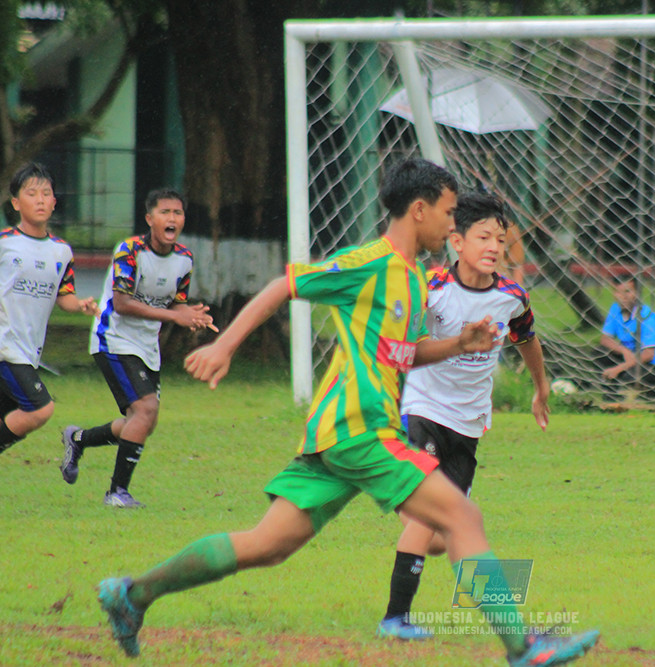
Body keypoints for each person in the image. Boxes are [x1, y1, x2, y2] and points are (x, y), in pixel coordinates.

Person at [95, 158, 599, 666]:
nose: (452, 224)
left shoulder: (415, 280)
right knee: (462, 516)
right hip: (360, 428)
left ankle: (132, 595)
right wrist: (224, 346)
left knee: (268, 544)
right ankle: (523, 647)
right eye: (448, 213)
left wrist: (457, 344)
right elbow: (285, 285)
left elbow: (401, 353)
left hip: (340, 435)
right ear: (418, 210)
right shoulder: (371, 263)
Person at [376, 190, 551, 640]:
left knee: (441, 536)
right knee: (430, 522)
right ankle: (395, 618)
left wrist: (540, 387)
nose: (494, 247)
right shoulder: (431, 288)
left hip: (468, 425)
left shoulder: (511, 297)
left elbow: (527, 339)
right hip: (422, 412)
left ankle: (512, 631)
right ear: (457, 241)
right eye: (483, 237)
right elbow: (402, 346)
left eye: (500, 240)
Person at [59, 188, 216, 508]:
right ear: (149, 218)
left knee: (143, 421)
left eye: (178, 213)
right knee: (145, 411)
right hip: (113, 338)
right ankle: (117, 493)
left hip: (147, 346)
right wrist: (175, 316)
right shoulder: (129, 251)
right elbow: (122, 303)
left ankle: (78, 439)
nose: (172, 218)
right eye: (165, 212)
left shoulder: (185, 259)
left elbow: (176, 303)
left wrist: (191, 315)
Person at [0, 163, 100, 480]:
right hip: (3, 347)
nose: (40, 199)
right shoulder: (0, 243)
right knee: (41, 409)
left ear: (54, 202)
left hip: (29, 350)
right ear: (15, 203)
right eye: (31, 193)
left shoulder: (61, 251)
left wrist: (80, 305)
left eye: (46, 193)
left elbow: (64, 296)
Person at [598, 276, 655, 404]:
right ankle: (611, 395)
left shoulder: (646, 316)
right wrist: (624, 351)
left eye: (627, 291)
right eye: (618, 292)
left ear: (637, 293)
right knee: (600, 352)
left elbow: (648, 355)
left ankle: (653, 394)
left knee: (628, 376)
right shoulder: (615, 309)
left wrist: (619, 368)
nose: (623, 297)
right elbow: (605, 339)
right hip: (632, 360)